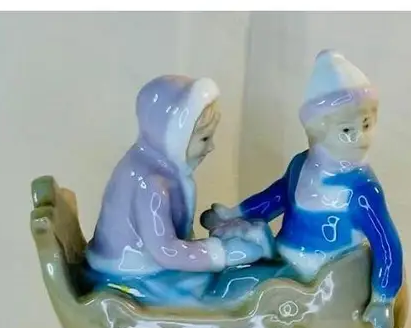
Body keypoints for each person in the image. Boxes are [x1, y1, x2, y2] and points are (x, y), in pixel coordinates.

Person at [201, 50, 404, 328]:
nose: (359, 137)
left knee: (237, 285)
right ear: (318, 130)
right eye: (347, 129)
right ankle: (213, 322)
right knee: (232, 271)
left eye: (367, 124)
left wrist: (383, 299)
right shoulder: (301, 165)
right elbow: (275, 197)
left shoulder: (361, 189)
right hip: (283, 257)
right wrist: (235, 213)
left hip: (319, 277)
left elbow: (386, 243)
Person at [84, 74, 273, 307]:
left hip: (148, 265)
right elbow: (166, 251)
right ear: (174, 137)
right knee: (216, 294)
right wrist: (223, 253)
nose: (211, 147)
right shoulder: (152, 183)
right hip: (135, 275)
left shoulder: (154, 164)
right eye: (204, 138)